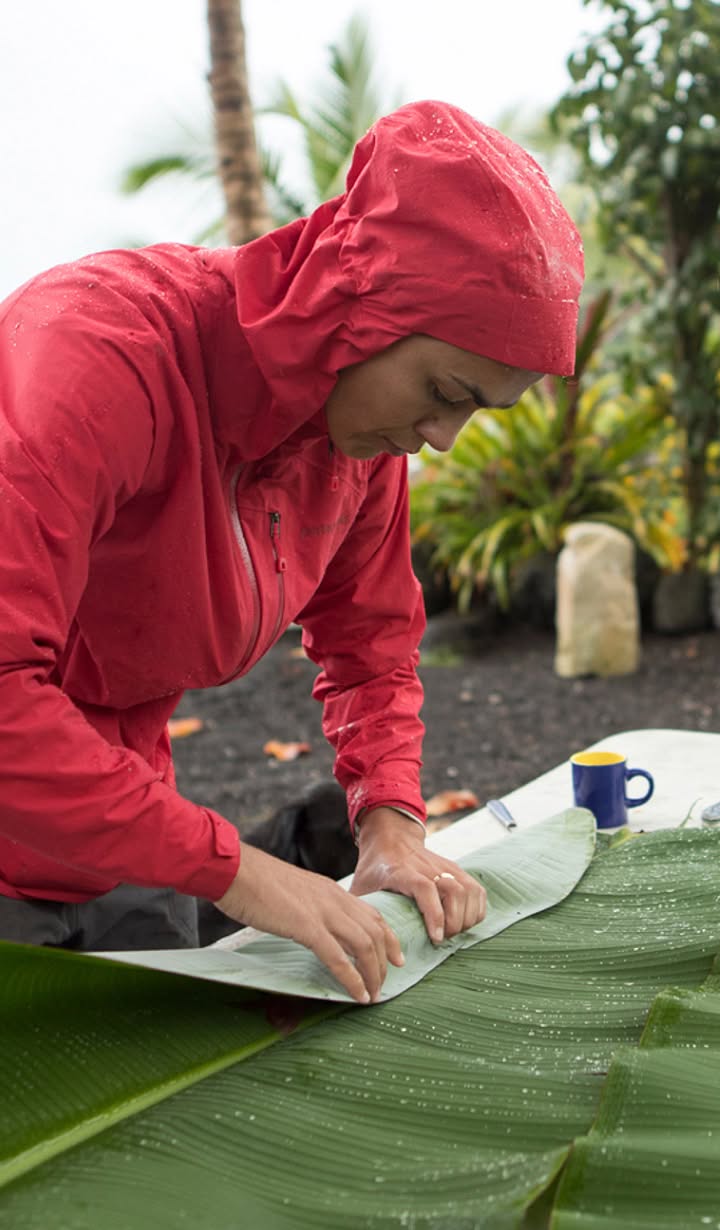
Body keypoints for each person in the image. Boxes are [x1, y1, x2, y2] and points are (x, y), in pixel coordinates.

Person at [0, 100, 584, 1006]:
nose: (443, 440)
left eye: (477, 411)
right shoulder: (98, 357)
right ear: (358, 305)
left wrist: (392, 827)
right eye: (442, 391)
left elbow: (375, 649)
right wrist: (245, 875)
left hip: (127, 835)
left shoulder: (353, 440)